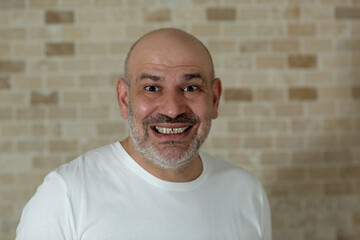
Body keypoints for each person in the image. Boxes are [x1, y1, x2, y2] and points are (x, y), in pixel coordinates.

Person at [16, 28, 271, 239]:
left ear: (214, 99)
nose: (172, 110)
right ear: (124, 98)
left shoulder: (247, 192)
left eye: (190, 87)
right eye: (151, 87)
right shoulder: (66, 194)